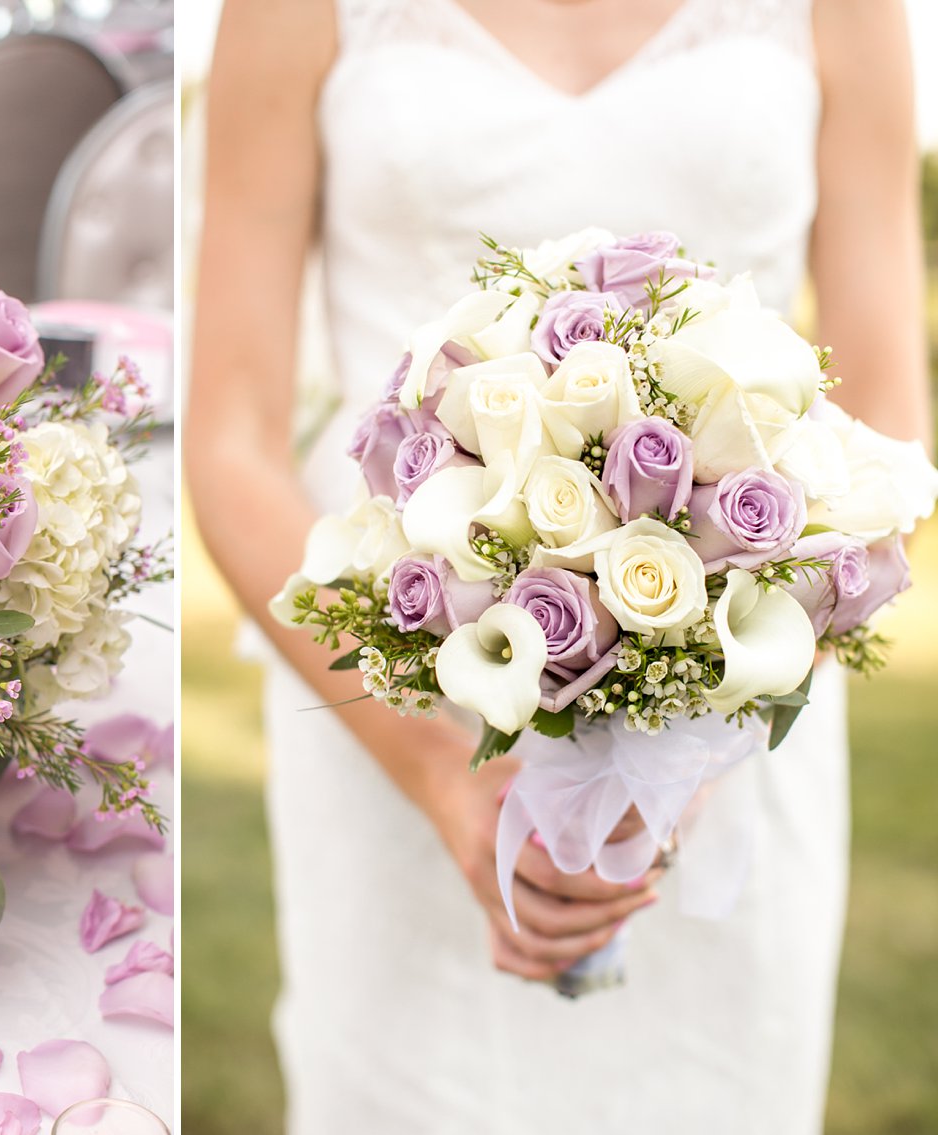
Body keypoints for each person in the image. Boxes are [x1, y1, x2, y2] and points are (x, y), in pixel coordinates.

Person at [185, 0, 929, 1131]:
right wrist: (442, 773)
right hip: (395, 731)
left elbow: (887, 435)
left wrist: (682, 755)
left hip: (736, 743)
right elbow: (230, 436)